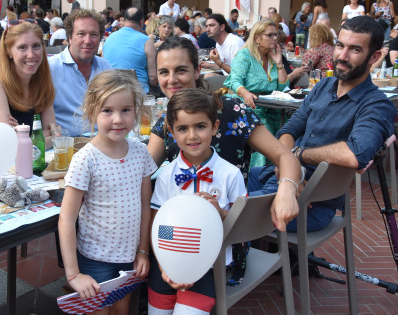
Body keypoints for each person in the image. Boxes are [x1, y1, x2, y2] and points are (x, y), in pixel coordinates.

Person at [249, 16, 396, 232]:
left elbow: (355, 154)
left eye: (354, 50)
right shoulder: (324, 85)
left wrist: (296, 157)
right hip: (282, 179)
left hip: (312, 203)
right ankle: (275, 259)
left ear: (374, 56)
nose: (342, 56)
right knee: (232, 179)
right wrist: (287, 167)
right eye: (340, 46)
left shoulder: (377, 105)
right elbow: (290, 129)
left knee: (229, 216)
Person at [148, 37, 300, 230]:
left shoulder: (232, 109)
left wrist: (287, 188)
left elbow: (285, 156)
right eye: (164, 72)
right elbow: (143, 171)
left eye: (180, 70)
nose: (171, 80)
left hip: (230, 233)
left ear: (197, 71)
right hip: (186, 234)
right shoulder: (166, 123)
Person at [59, 70, 156, 315]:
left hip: (129, 257)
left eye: (125, 110)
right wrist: (73, 274)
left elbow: (145, 206)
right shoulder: (85, 159)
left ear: (136, 111)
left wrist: (142, 251)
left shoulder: (140, 152)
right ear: (92, 113)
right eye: (107, 111)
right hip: (96, 259)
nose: (117, 119)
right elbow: (66, 219)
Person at [147, 88, 247, 315]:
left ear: (214, 127)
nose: (192, 136)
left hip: (209, 269)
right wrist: (166, 265)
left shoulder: (230, 174)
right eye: (182, 129)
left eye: (200, 127)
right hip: (166, 267)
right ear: (171, 132)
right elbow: (158, 222)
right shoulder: (167, 176)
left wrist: (221, 213)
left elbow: (242, 227)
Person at [224, 19, 289, 166]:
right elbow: (235, 81)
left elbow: (284, 86)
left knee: (291, 126)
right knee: (265, 128)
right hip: (246, 106)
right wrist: (245, 93)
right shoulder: (245, 56)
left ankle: (280, 168)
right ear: (257, 38)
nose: (274, 39)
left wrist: (279, 63)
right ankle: (259, 172)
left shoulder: (272, 56)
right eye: (270, 35)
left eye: (275, 35)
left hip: (270, 107)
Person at [0, 21, 55, 135]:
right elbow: (9, 143)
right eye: (22, 47)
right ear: (9, 52)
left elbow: (53, 135)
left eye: (36, 46)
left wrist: (22, 135)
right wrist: (43, 137)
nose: (31, 54)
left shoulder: (41, 83)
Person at [48, 9, 111, 136]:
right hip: (69, 146)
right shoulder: (51, 69)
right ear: (70, 37)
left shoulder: (105, 67)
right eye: (81, 34)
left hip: (104, 141)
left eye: (93, 34)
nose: (87, 41)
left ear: (100, 38)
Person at [103, 6, 157, 93]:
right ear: (141, 22)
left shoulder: (109, 38)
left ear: (124, 20)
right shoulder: (146, 41)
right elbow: (153, 77)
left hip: (112, 91)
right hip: (139, 95)